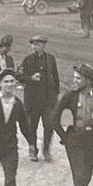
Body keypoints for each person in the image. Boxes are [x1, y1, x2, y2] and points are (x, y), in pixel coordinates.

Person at [20, 34, 60, 162]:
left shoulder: (51, 59)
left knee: (49, 125)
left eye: (37, 44)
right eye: (33, 44)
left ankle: (46, 149)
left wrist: (55, 95)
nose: (34, 46)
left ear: (43, 45)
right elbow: (20, 77)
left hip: (48, 99)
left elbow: (56, 77)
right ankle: (33, 149)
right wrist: (31, 78)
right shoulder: (27, 60)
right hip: (33, 100)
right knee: (32, 126)